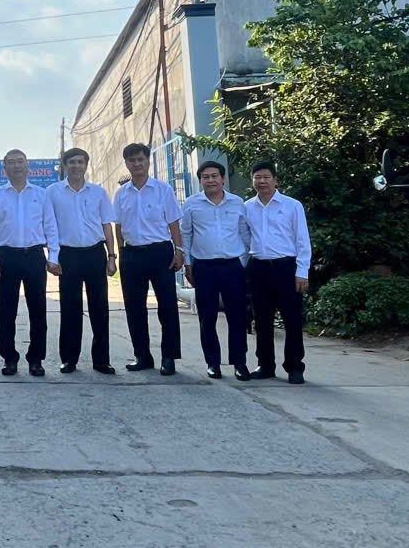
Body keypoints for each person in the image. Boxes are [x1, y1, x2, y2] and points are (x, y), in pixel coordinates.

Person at [44, 147, 118, 375]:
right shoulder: (53, 192)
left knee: (100, 308)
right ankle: (69, 359)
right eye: (72, 162)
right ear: (65, 165)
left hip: (95, 254)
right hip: (68, 255)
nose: (76, 166)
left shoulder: (98, 192)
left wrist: (111, 256)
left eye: (80, 162)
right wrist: (52, 257)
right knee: (70, 308)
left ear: (86, 165)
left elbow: (107, 225)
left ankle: (101, 360)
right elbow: (50, 226)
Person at [114, 142, 185, 375]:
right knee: (134, 307)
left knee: (167, 306)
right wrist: (121, 252)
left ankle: (169, 357)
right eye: (132, 160)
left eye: (141, 159)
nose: (137, 164)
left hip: (160, 253)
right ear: (126, 163)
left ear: (147, 161)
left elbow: (173, 223)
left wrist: (179, 250)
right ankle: (142, 355)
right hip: (132, 255)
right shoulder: (121, 193)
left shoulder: (163, 189)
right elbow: (118, 225)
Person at [180, 160, 252, 382]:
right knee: (207, 317)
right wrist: (188, 263)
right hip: (204, 267)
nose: (210, 180)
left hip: (232, 266)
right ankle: (212, 362)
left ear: (223, 179)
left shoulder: (237, 203)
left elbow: (245, 234)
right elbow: (186, 234)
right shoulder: (192, 204)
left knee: (237, 317)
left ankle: (240, 363)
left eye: (214, 176)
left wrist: (242, 262)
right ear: (200, 181)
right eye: (205, 177)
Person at [244, 160, 312, 384]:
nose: (261, 181)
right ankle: (265, 365)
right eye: (257, 177)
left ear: (275, 180)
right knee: (262, 320)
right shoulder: (247, 207)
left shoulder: (292, 205)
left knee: (292, 319)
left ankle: (294, 366)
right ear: (252, 181)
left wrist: (302, 272)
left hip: (286, 269)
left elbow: (302, 240)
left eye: (266, 177)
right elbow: (244, 239)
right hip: (259, 269)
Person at [0, 148, 51, 377]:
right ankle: (9, 358)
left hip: (34, 256)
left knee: (38, 310)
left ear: (27, 165)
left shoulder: (41, 194)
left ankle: (36, 359)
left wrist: (53, 256)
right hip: (7, 257)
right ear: (5, 168)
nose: (16, 166)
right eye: (11, 162)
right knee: (7, 310)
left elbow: (50, 226)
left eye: (20, 161)